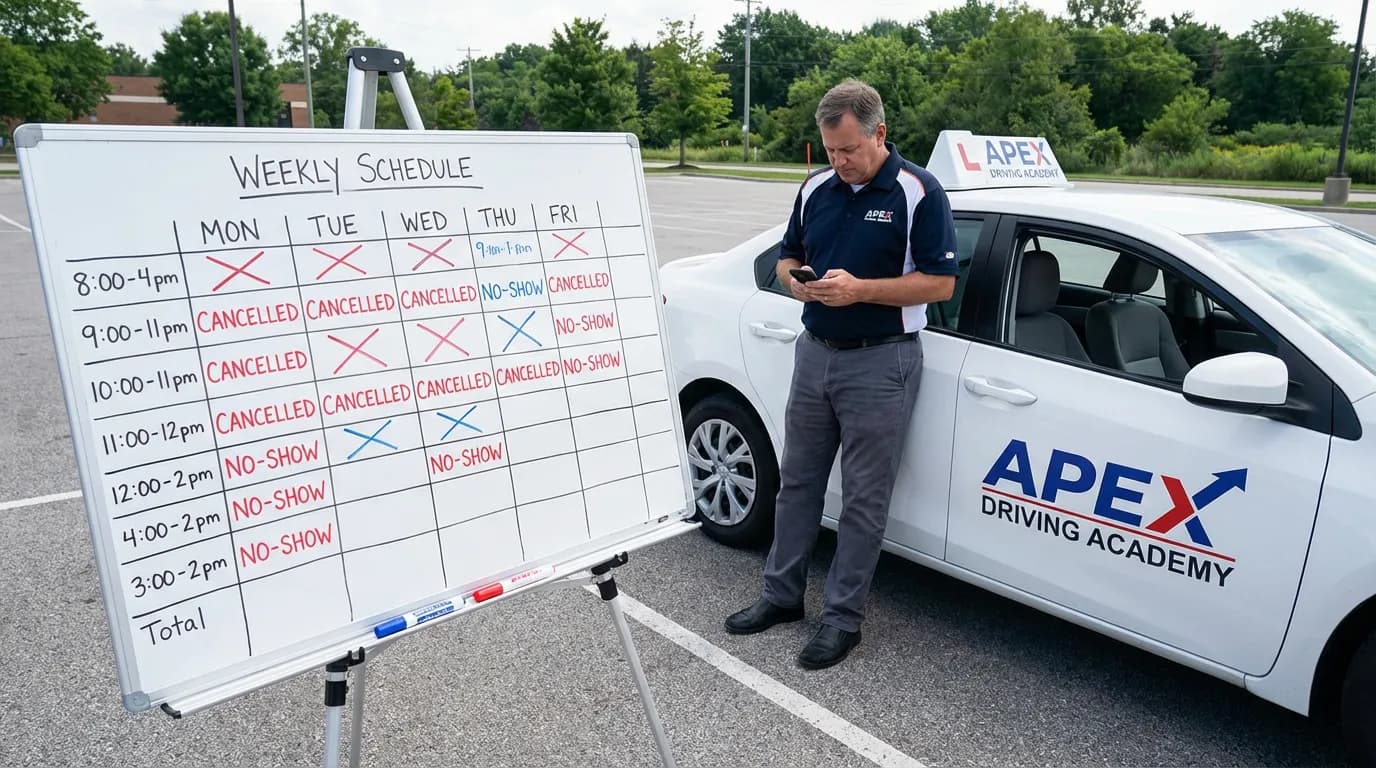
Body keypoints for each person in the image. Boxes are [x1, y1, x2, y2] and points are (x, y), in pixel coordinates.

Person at [723, 79, 959, 669]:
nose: (840, 162)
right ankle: (780, 597)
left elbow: (940, 283)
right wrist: (793, 278)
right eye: (830, 151)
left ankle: (842, 621)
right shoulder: (815, 188)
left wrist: (859, 292)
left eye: (849, 150)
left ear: (880, 133)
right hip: (815, 350)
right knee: (797, 481)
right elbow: (787, 253)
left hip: (883, 361)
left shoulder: (919, 192)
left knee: (862, 498)